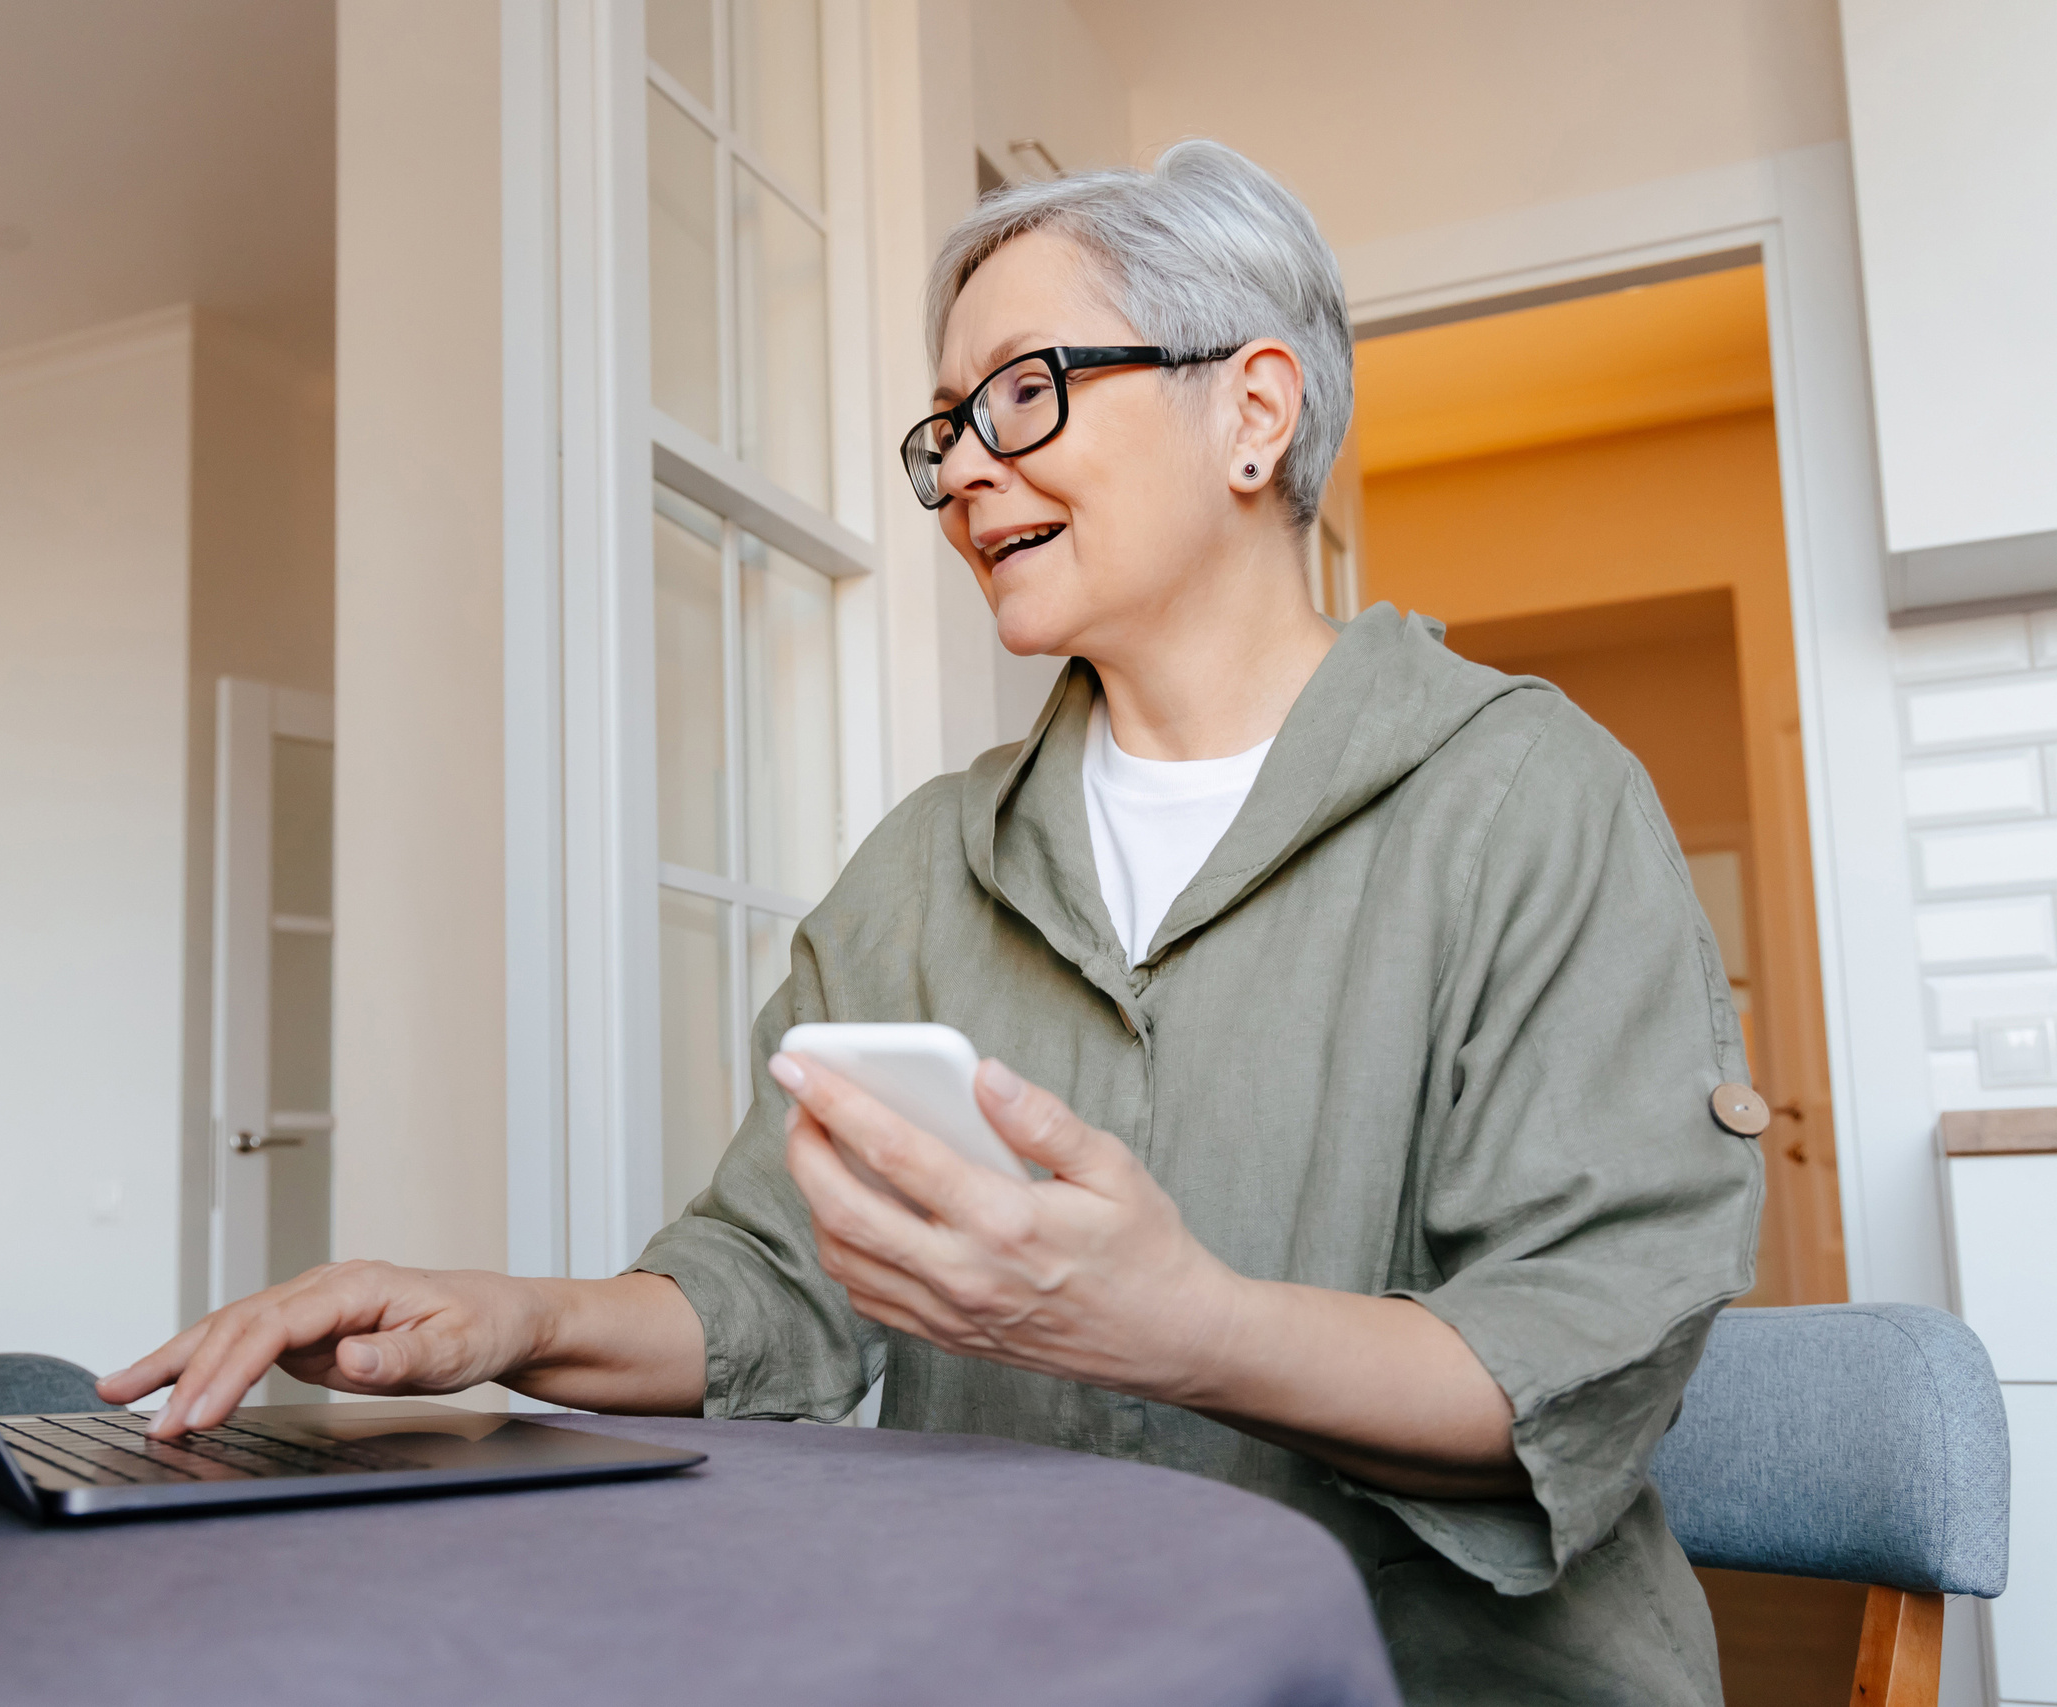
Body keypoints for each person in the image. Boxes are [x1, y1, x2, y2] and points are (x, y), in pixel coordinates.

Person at [101, 140, 1760, 1705]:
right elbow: (769, 1285)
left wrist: (1184, 1330)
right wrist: (511, 1322)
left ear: (1255, 411)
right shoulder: (921, 870)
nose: (963, 468)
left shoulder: (1530, 801)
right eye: (948, 427)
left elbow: (1579, 1342)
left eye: (1026, 392)